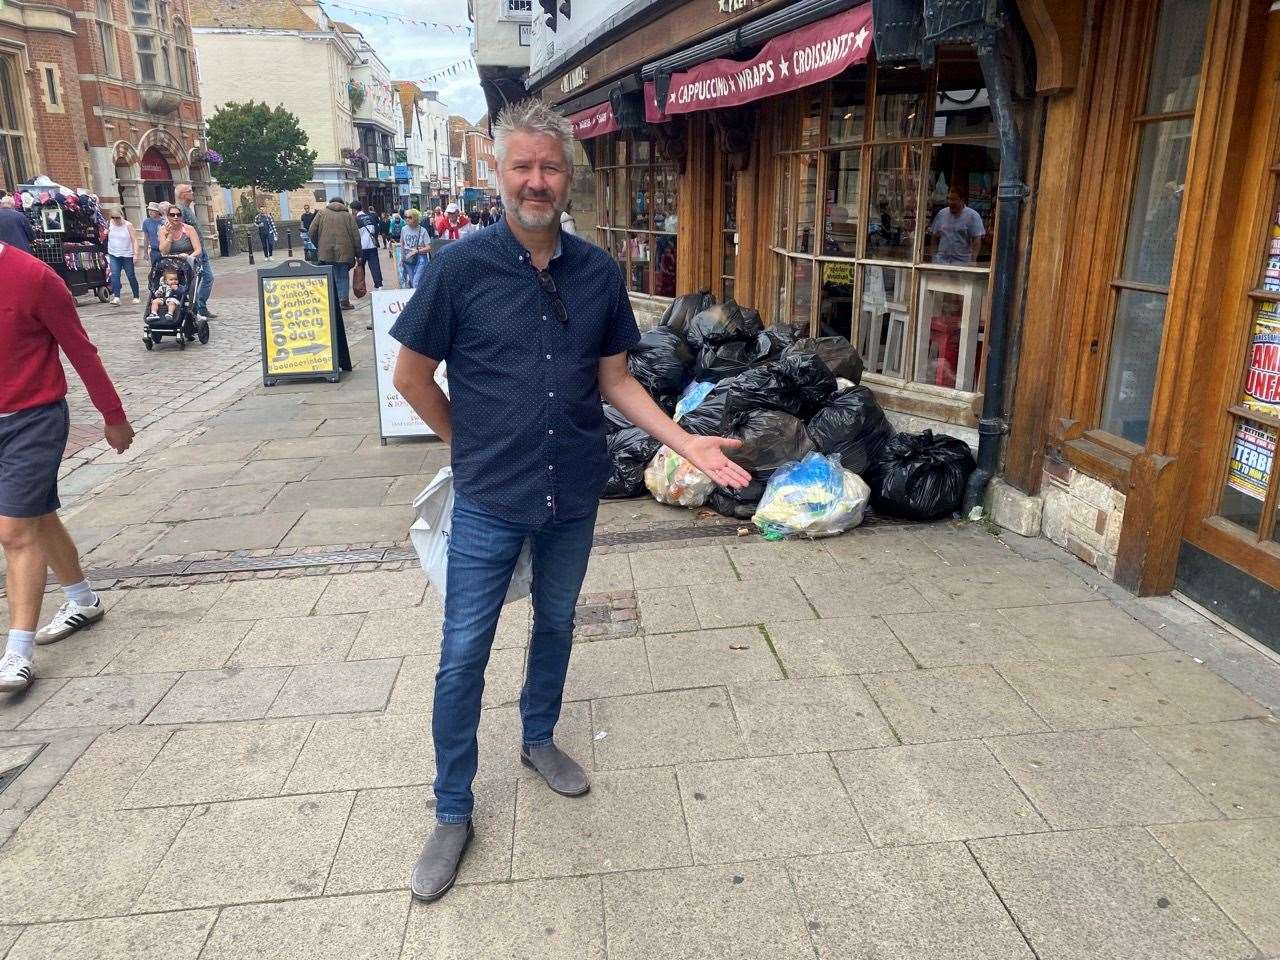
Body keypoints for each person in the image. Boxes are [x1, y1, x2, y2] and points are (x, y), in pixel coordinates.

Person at [390, 98, 749, 903]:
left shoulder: (596, 273)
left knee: (555, 623)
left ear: (569, 178)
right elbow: (410, 378)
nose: (536, 181)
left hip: (572, 492)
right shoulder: (457, 269)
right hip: (487, 496)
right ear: (497, 172)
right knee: (462, 654)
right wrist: (465, 441)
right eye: (521, 166)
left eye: (550, 167)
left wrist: (685, 441)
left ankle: (538, 737)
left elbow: (615, 378)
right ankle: (453, 809)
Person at [0, 240, 135, 693]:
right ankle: (83, 599)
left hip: (31, 419)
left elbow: (81, 351)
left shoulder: (35, 278)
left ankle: (17, 654)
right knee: (37, 516)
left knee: (14, 532)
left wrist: (112, 415)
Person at [307, 196, 360, 310]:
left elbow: (311, 231)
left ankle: (330, 300)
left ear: (330, 203)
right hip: (345, 252)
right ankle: (344, 301)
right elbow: (356, 237)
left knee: (328, 276)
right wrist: (358, 254)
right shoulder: (348, 216)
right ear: (342, 204)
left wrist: (319, 244)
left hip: (325, 252)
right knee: (343, 276)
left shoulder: (321, 214)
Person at [175, 184, 215, 320]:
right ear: (182, 194)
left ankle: (200, 307)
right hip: (193, 253)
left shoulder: (187, 209)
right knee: (199, 280)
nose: (193, 192)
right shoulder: (180, 210)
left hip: (200, 250)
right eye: (189, 191)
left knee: (207, 278)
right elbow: (181, 230)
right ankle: (197, 308)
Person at [928, 185, 986, 265]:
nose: (950, 202)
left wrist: (973, 260)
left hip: (962, 263)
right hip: (942, 262)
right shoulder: (942, 214)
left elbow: (977, 240)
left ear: (962, 200)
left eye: (954, 199)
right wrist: (934, 257)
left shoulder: (973, 216)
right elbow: (934, 237)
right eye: (949, 199)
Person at [104, 205, 141, 306]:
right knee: (115, 275)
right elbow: (104, 238)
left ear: (122, 216)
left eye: (117, 217)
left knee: (130, 275)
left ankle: (136, 296)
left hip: (127, 254)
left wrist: (136, 254)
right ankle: (116, 297)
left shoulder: (128, 225)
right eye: (113, 218)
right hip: (113, 253)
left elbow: (134, 240)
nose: (115, 220)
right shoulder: (109, 224)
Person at [352, 201, 384, 291]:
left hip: (361, 247)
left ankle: (361, 287)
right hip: (372, 245)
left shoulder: (356, 219)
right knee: (375, 265)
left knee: (361, 268)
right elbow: (377, 229)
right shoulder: (371, 216)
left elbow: (355, 235)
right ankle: (379, 285)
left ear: (354, 210)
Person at [398, 209, 430, 289]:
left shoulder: (423, 230)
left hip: (421, 258)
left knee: (416, 281)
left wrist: (418, 251)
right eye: (405, 217)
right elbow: (402, 243)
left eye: (409, 217)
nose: (407, 219)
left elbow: (429, 247)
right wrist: (402, 258)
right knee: (412, 281)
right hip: (408, 257)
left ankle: (419, 299)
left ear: (415, 218)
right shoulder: (404, 229)